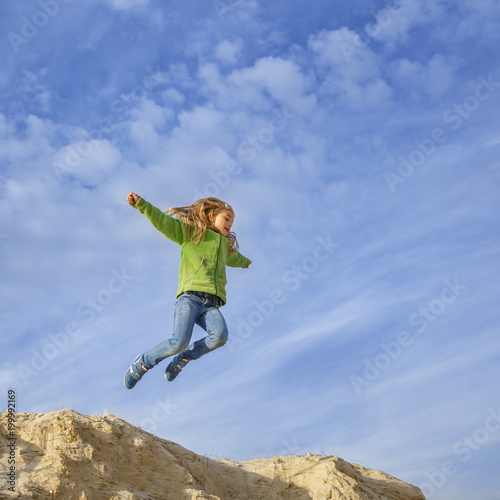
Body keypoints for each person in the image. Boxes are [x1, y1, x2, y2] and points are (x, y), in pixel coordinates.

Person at [124, 192, 252, 389]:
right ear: (211, 216)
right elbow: (163, 221)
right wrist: (141, 205)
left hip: (211, 305)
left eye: (232, 222)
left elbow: (234, 258)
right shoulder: (191, 233)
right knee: (178, 342)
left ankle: (183, 360)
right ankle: (142, 363)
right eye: (227, 218)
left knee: (219, 337)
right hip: (189, 299)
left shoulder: (225, 247)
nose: (230, 224)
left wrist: (245, 262)